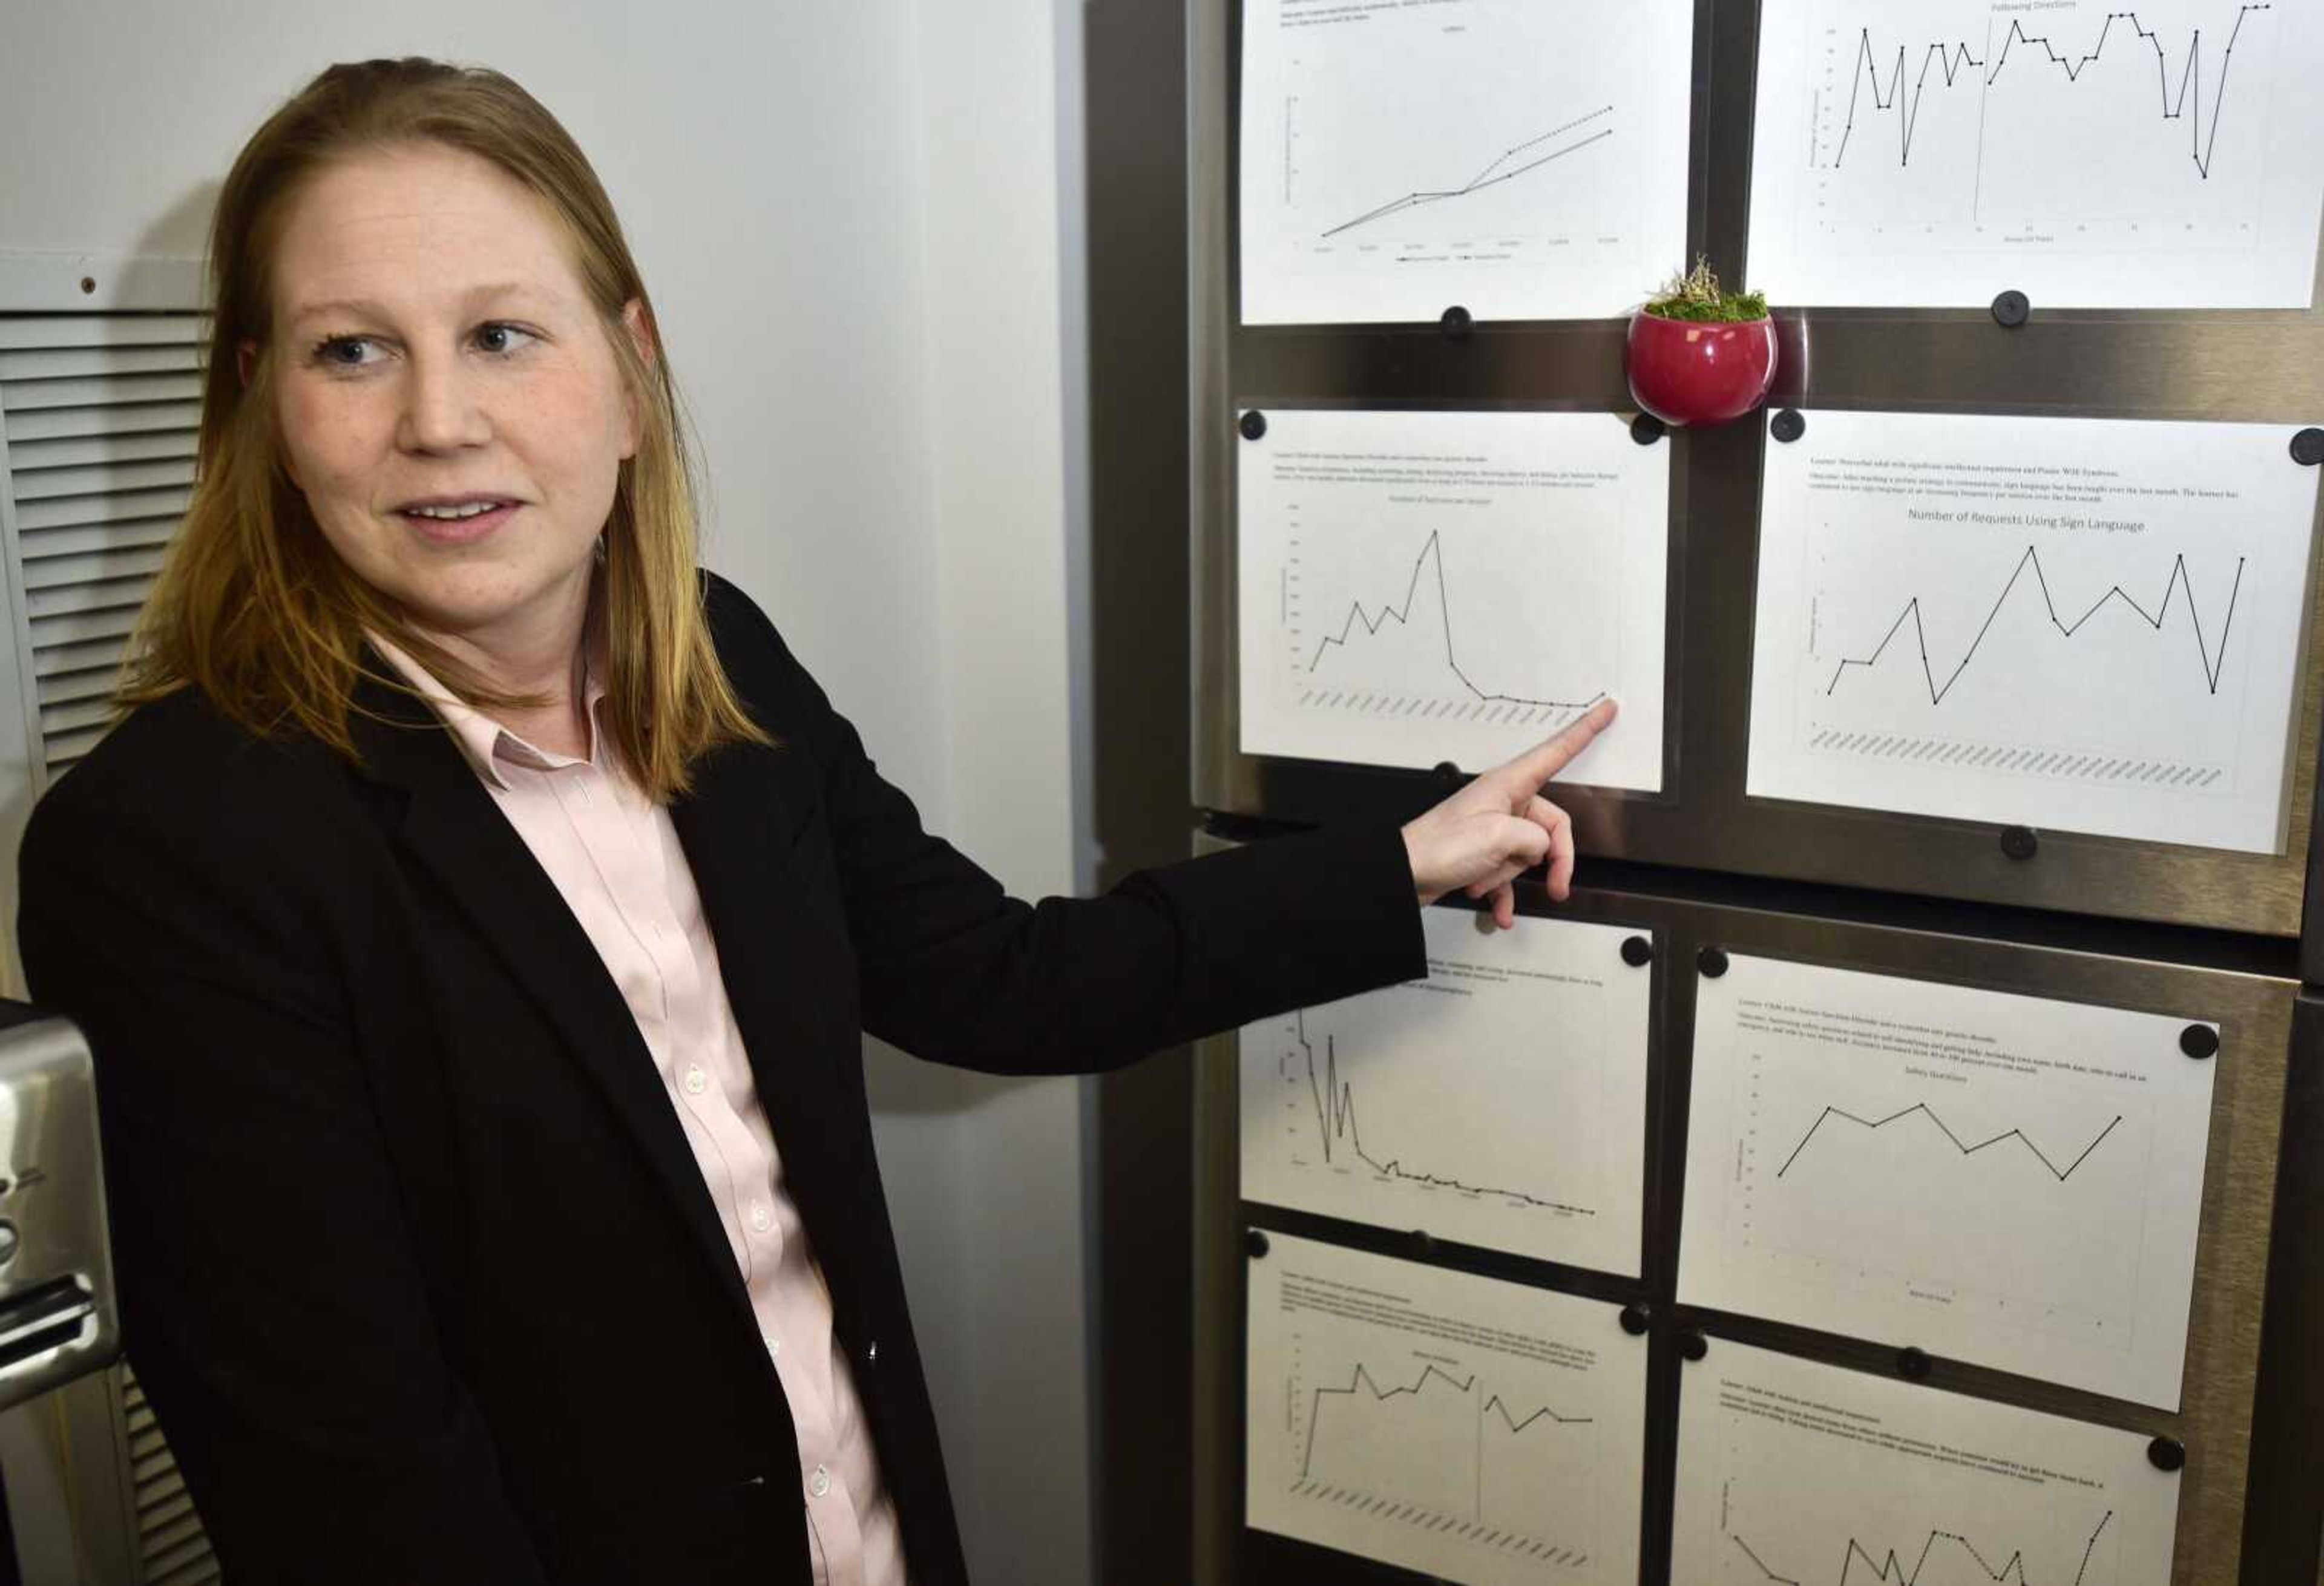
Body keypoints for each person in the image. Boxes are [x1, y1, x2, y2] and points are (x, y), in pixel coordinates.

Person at [15, 57, 1616, 1586]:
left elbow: (999, 978)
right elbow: (356, 1503)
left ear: (631, 374)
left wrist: (1393, 863)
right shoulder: (169, 852)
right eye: (349, 350)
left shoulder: (720, 666)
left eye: (504, 333)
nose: (439, 420)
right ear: (263, 408)